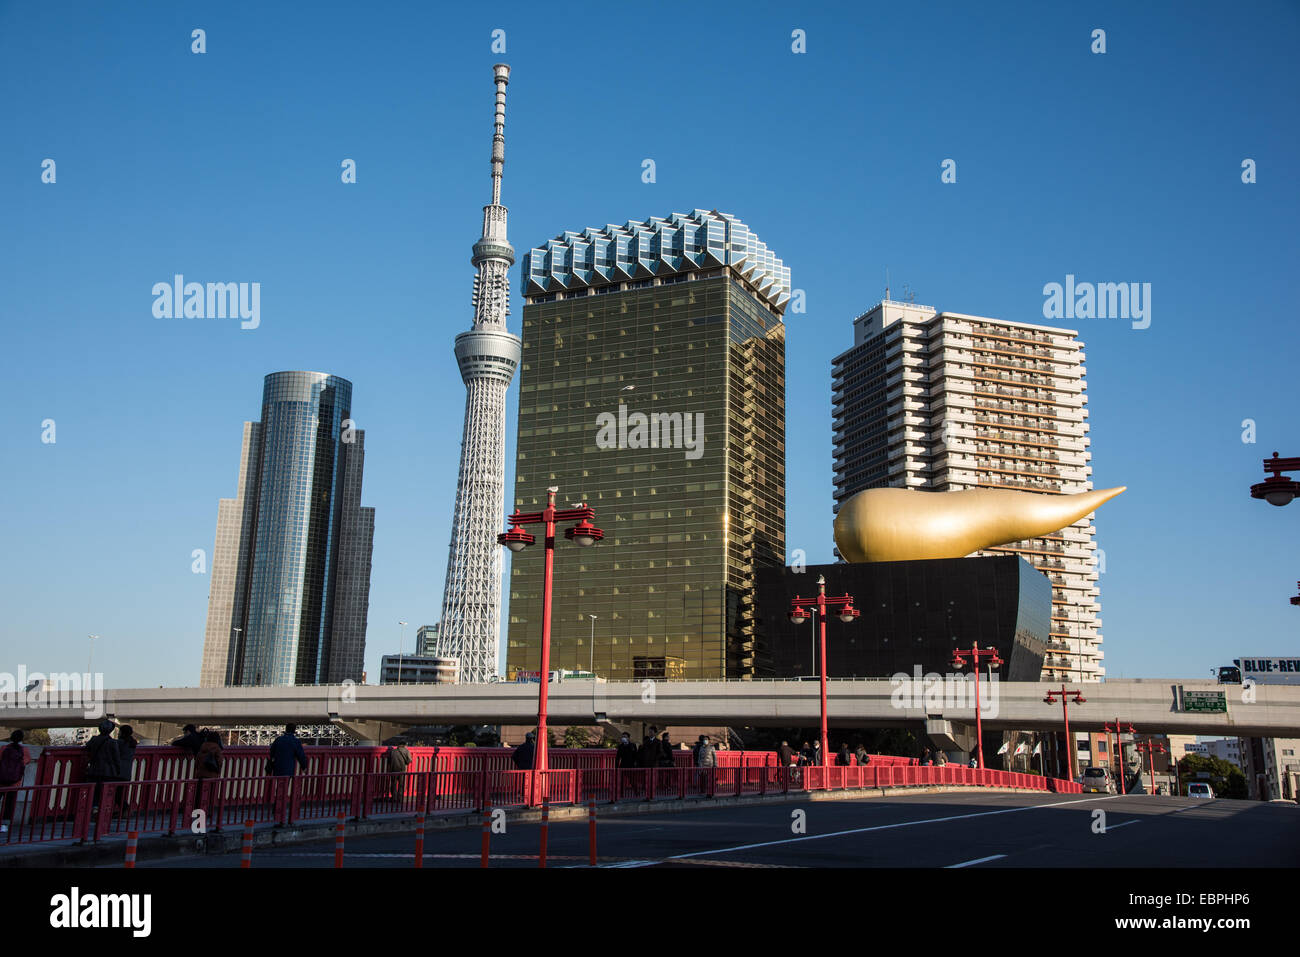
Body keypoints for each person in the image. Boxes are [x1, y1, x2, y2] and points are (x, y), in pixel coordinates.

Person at [85, 719, 121, 811]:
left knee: (93, 791)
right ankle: (102, 809)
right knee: (104, 791)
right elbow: (116, 757)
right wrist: (118, 769)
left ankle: (92, 808)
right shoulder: (112, 742)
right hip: (107, 771)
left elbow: (87, 748)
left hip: (94, 769)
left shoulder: (94, 739)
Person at [0, 730, 30, 834]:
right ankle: (4, 825)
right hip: (14, 783)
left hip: (1, 780)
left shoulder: (4, 748)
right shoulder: (24, 750)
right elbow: (25, 762)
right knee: (9, 804)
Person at [194, 731, 223, 811]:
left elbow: (197, 761)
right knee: (210, 794)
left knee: (199, 793)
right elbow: (219, 762)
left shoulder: (202, 747)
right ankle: (208, 810)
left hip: (200, 774)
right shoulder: (217, 748)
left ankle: (197, 809)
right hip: (211, 775)